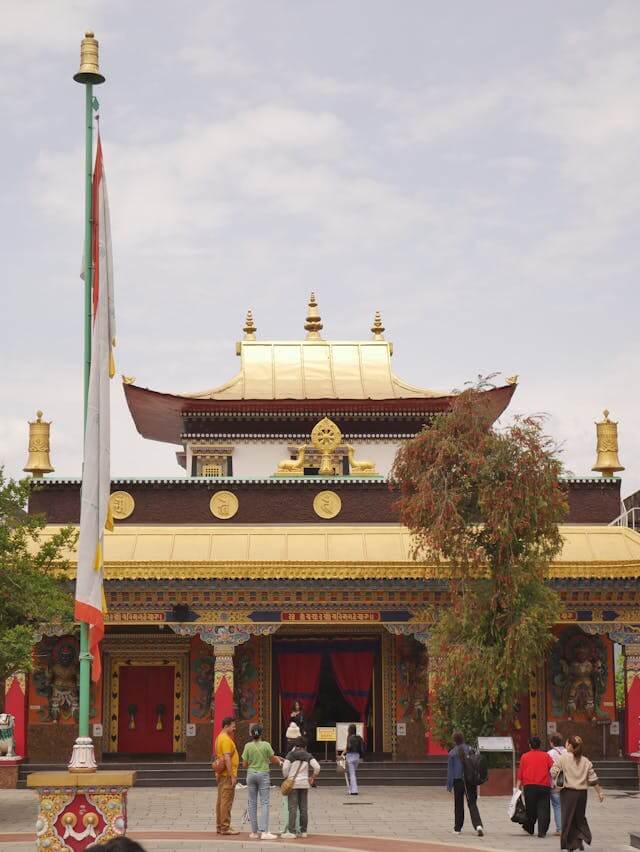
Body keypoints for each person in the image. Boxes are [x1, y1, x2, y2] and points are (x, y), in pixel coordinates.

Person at [551, 734, 605, 852]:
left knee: (568, 818)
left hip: (568, 793)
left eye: (567, 743)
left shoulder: (563, 758)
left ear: (569, 745)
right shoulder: (585, 761)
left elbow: (554, 771)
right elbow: (593, 778)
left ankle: (572, 844)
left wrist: (558, 780)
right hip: (582, 794)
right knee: (579, 817)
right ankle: (581, 837)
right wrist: (600, 792)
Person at [241, 723, 282, 840]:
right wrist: (278, 760)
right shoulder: (266, 745)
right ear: (261, 733)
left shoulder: (247, 746)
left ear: (251, 734)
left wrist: (252, 762)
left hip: (250, 775)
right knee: (264, 802)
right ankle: (264, 832)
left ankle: (254, 832)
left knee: (252, 803)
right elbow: (273, 759)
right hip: (263, 775)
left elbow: (244, 764)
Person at [281, 736, 321, 839]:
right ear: (305, 746)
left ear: (295, 745)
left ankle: (292, 831)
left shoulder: (290, 755)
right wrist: (312, 777)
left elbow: (285, 768)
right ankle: (304, 832)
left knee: (292, 808)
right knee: (303, 808)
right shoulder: (307, 755)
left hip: (293, 784)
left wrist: (286, 777)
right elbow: (317, 767)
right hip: (304, 784)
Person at [446, 731, 484, 837]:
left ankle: (457, 828)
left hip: (458, 781)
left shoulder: (452, 753)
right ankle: (478, 825)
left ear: (454, 740)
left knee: (458, 805)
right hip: (470, 780)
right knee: (472, 803)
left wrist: (449, 785)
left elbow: (450, 771)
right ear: (463, 738)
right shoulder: (471, 749)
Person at [517, 736, 553, 838]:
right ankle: (542, 831)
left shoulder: (524, 756)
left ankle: (529, 828)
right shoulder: (546, 756)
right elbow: (553, 769)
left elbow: (520, 774)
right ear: (540, 745)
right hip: (544, 786)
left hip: (529, 787)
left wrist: (517, 788)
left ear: (530, 745)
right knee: (544, 809)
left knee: (530, 809)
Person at [213, 716, 240, 835]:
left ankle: (220, 826)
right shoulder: (225, 739)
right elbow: (227, 758)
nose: (234, 728)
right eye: (233, 725)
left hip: (222, 775)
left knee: (221, 801)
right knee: (226, 802)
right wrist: (232, 776)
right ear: (226, 726)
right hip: (226, 775)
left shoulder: (220, 737)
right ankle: (225, 827)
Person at [548, 732, 566, 836]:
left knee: (557, 806)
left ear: (552, 742)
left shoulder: (550, 753)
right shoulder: (568, 752)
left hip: (554, 783)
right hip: (567, 782)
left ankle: (560, 829)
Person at [343, 723, 365, 795]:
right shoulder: (359, 738)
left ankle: (354, 790)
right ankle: (352, 789)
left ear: (350, 730)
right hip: (357, 756)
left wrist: (342, 754)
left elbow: (348, 748)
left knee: (352, 774)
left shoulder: (349, 738)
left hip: (350, 756)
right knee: (353, 773)